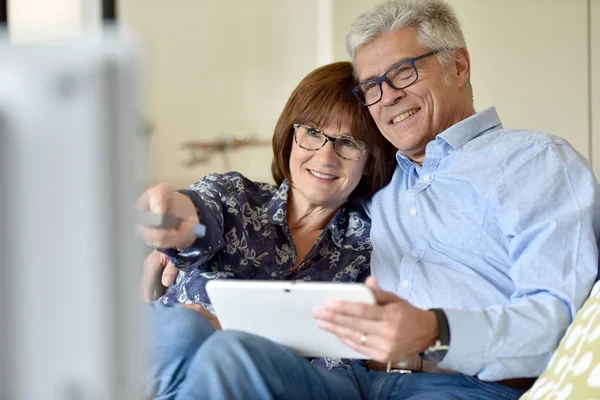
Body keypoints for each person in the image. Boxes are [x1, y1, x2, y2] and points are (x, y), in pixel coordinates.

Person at [144, 1, 600, 399]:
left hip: (462, 384)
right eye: (372, 87)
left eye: (404, 71)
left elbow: (558, 319)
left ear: (458, 66)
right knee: (230, 354)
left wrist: (438, 331)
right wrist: (174, 236)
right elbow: (216, 212)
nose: (388, 97)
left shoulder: (535, 163)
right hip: (361, 382)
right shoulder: (380, 189)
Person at [139, 61, 397, 397]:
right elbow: (196, 215)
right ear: (290, 135)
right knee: (183, 329)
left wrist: (231, 334)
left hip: (267, 384)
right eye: (313, 133)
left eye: (348, 143)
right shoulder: (234, 196)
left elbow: (335, 368)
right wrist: (169, 212)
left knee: (229, 357)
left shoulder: (370, 246)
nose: (325, 156)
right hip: (170, 370)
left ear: (370, 161)